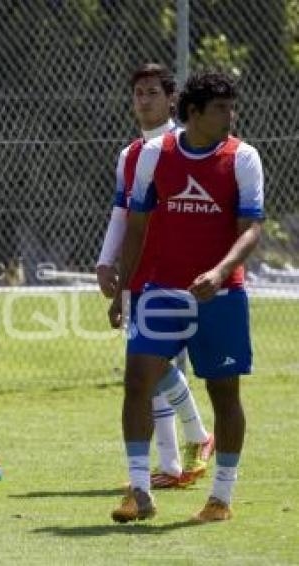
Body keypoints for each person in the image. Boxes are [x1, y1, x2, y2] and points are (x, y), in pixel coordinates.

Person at [108, 72, 265, 523]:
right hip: (160, 292)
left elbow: (252, 227)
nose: (230, 117)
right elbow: (137, 227)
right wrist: (123, 290)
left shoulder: (243, 157)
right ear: (193, 113)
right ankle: (139, 491)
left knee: (223, 391)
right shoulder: (155, 156)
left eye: (232, 108)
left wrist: (219, 272)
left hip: (222, 295)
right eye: (221, 109)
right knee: (138, 378)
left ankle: (220, 498)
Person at [96, 63, 214, 489]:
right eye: (137, 93)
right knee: (151, 366)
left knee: (153, 365)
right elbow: (122, 214)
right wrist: (105, 261)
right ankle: (190, 446)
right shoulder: (129, 155)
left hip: (175, 272)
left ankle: (180, 456)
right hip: (138, 266)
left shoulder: (186, 146)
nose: (142, 100)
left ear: (171, 100)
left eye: (151, 93)